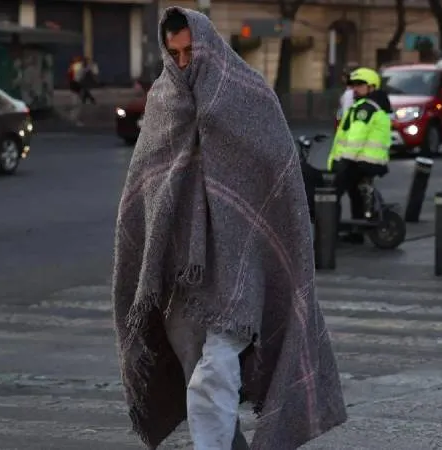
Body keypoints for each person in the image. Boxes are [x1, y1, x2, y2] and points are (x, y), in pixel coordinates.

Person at [112, 7, 346, 450]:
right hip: (184, 275)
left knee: (212, 374)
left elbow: (277, 176)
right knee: (194, 376)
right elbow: (146, 186)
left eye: (190, 51)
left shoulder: (248, 93)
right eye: (174, 53)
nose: (183, 62)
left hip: (242, 267)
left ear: (207, 44)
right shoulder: (164, 99)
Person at [327, 67, 391, 235]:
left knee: (331, 194)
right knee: (355, 193)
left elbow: (356, 138)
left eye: (360, 85)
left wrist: (343, 162)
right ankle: (357, 232)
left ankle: (330, 233)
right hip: (370, 161)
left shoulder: (365, 109)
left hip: (362, 161)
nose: (355, 89)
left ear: (372, 87)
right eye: (353, 85)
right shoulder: (375, 106)